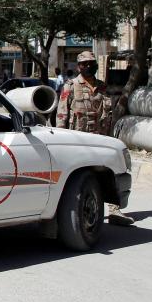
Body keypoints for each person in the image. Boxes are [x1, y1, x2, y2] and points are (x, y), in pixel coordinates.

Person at [56, 51, 133, 226]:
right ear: (78, 67)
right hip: (77, 141)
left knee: (111, 172)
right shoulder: (70, 86)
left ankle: (114, 210)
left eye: (91, 63)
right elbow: (61, 116)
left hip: (100, 140)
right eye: (85, 64)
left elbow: (108, 115)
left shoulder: (102, 87)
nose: (89, 66)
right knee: (81, 179)